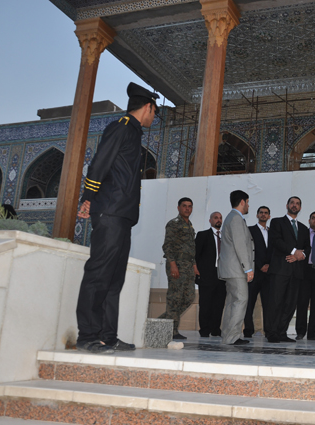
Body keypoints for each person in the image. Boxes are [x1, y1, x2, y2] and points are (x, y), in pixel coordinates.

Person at [75, 82, 159, 354]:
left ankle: (107, 336)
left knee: (114, 280)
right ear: (148, 107)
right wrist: (88, 196)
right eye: (154, 112)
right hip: (110, 211)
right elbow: (99, 163)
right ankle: (87, 336)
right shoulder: (121, 127)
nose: (154, 117)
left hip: (122, 215)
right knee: (99, 274)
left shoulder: (133, 133)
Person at [266, 196, 310, 343]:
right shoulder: (277, 222)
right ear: (287, 205)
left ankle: (282, 332)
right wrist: (294, 251)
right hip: (280, 270)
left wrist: (300, 256)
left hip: (296, 272)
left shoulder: (303, 228)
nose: (294, 205)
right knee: (276, 302)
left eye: (297, 204)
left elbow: (307, 247)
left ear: (300, 208)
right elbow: (276, 241)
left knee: (290, 304)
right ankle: (272, 333)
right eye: (292, 203)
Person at [159, 197, 199, 340]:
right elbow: (167, 246)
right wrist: (173, 265)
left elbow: (191, 249)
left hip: (188, 265)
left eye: (190, 206)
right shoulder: (174, 224)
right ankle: (172, 330)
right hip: (177, 264)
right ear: (178, 208)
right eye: (184, 206)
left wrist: (194, 266)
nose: (187, 209)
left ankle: (160, 322)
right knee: (174, 298)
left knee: (189, 297)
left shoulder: (190, 226)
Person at [218, 190, 255, 345]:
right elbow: (240, 246)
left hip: (230, 269)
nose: (248, 205)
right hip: (237, 270)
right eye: (248, 202)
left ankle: (228, 335)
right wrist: (248, 268)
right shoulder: (236, 219)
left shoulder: (230, 217)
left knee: (232, 302)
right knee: (240, 300)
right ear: (242, 202)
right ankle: (232, 337)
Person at [195, 212, 226, 338]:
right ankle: (204, 329)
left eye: (220, 218)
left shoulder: (226, 236)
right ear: (210, 220)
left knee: (219, 303)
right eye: (215, 218)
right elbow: (196, 254)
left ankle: (215, 328)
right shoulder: (203, 235)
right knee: (205, 303)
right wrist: (196, 270)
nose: (218, 220)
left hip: (222, 274)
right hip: (207, 274)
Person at [295, 211, 315, 341]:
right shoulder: (303, 235)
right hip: (305, 271)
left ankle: (312, 333)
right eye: (313, 218)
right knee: (302, 302)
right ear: (309, 221)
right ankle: (300, 332)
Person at [244, 206, 272, 338]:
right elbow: (249, 250)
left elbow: (274, 251)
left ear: (269, 216)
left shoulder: (272, 232)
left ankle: (268, 330)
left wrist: (269, 265)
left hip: (268, 274)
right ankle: (248, 330)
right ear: (257, 215)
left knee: (268, 304)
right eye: (261, 213)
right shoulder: (250, 230)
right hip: (254, 272)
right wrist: (260, 266)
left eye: (266, 213)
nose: (263, 215)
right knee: (249, 303)